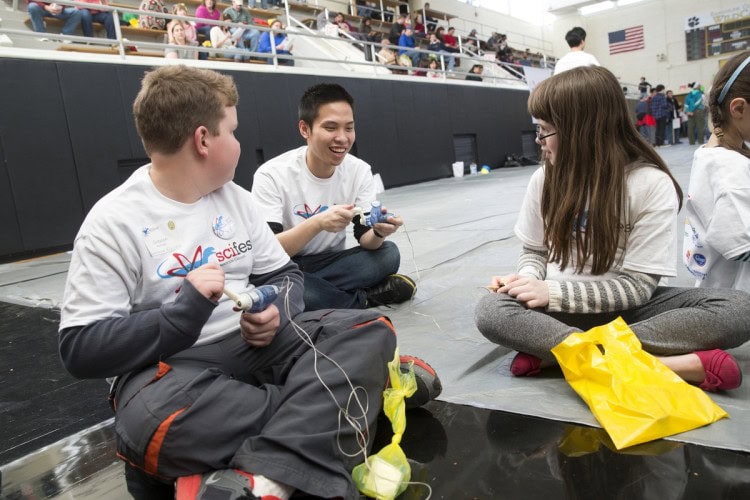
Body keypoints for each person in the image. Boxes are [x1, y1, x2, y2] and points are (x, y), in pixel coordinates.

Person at [58, 64, 400, 500]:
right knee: (153, 421)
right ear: (203, 140)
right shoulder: (111, 223)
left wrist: (276, 312)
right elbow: (80, 349)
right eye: (233, 132)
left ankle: (266, 480)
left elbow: (285, 274)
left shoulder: (236, 200)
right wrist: (180, 317)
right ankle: (341, 407)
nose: (239, 143)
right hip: (173, 371)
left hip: (258, 348)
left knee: (367, 331)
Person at [475, 65, 750, 393]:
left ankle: (562, 355)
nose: (540, 143)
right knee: (490, 308)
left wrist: (553, 291)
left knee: (739, 308)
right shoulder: (544, 179)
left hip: (631, 313)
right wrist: (528, 281)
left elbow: (637, 287)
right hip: (559, 313)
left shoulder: (649, 184)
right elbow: (535, 250)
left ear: (582, 130)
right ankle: (649, 362)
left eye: (545, 131)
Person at [252, 83, 417, 311]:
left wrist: (378, 231)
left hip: (331, 263)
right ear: (305, 129)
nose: (342, 138)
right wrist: (318, 223)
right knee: (286, 285)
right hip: (285, 264)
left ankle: (317, 296)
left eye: (349, 128)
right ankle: (366, 298)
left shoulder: (358, 171)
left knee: (388, 254)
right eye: (331, 128)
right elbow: (269, 252)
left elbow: (365, 240)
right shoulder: (272, 175)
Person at [684, 51, 750, 294]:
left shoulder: (711, 153)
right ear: (739, 108)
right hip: (738, 300)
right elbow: (742, 247)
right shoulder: (728, 170)